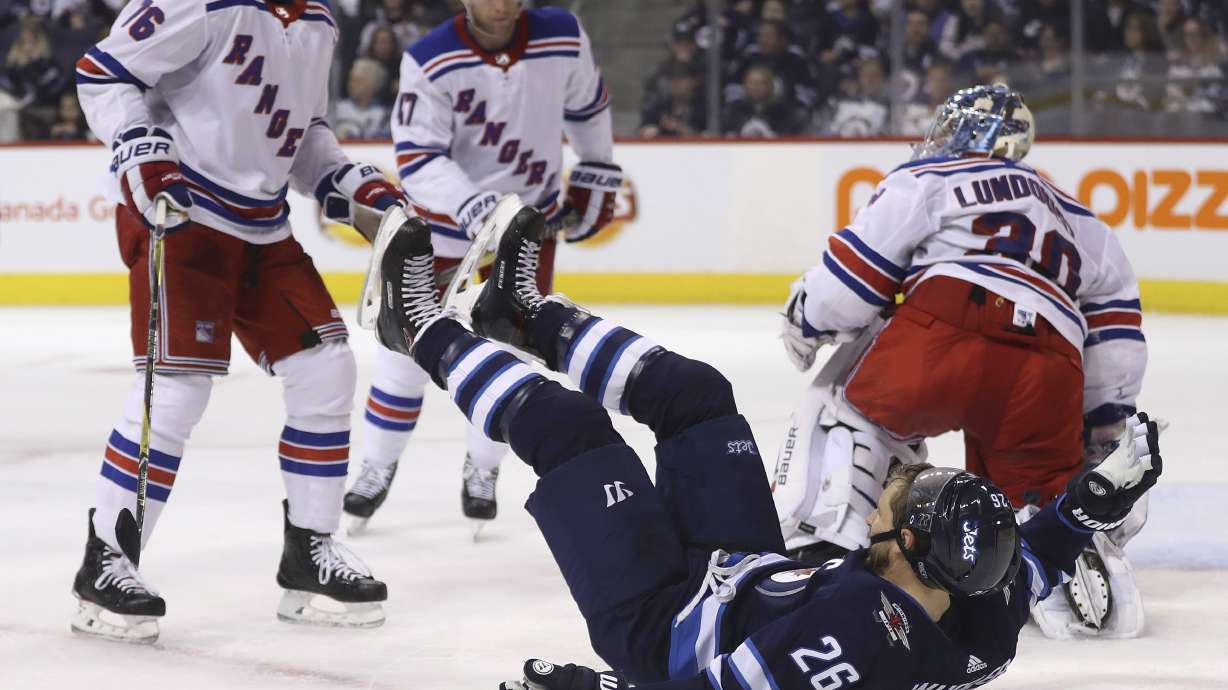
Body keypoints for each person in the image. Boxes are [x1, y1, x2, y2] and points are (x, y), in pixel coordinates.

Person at [366, 197, 1163, 690]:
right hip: (743, 570)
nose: (906, 472)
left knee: (576, 438)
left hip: (659, 624)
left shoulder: (855, 632)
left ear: (904, 541)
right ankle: (523, 314)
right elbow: (1030, 559)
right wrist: (1097, 500)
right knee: (700, 400)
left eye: (911, 491)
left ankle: (420, 328)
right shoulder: (974, 608)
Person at [70, 0, 409, 642]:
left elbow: (303, 133)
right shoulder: (199, 5)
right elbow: (103, 71)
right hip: (184, 211)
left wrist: (352, 183)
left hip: (263, 224)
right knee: (176, 387)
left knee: (326, 365)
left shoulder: (320, 23)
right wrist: (139, 149)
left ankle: (309, 552)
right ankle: (107, 559)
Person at [774, 85, 1150, 639]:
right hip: (1052, 361)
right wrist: (1103, 428)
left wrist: (807, 318)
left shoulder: (932, 176)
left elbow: (855, 280)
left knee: (845, 413)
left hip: (949, 326)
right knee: (1033, 487)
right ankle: (1077, 574)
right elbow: (1115, 334)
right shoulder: (1083, 220)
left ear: (971, 134)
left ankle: (827, 547)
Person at [344, 0, 621, 533]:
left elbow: (588, 106)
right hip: (440, 231)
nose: (500, 4)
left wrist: (597, 167)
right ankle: (376, 467)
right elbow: (419, 158)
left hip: (523, 227)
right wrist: (477, 210)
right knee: (405, 352)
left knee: (512, 349)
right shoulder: (430, 59)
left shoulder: (562, 34)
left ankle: (483, 467)